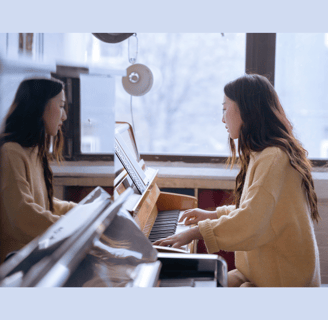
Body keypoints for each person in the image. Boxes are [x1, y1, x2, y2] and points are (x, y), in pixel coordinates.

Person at [154, 74, 321, 287]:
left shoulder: (273, 157)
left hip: (284, 278)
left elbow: (251, 220)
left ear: (246, 109)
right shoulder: (264, 154)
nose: (223, 119)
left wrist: (195, 233)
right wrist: (214, 214)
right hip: (262, 270)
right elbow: (259, 208)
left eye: (225, 109)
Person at [0, 78, 76, 263]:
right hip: (15, 262)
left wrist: (83, 211)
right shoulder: (10, 152)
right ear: (40, 107)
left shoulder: (33, 150)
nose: (64, 116)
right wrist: (75, 226)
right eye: (61, 106)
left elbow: (44, 204)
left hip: (34, 252)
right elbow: (24, 215)